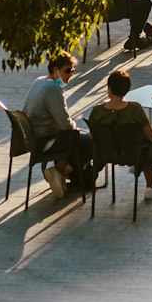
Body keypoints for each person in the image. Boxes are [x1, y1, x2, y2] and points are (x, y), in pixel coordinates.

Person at [22, 53, 93, 199]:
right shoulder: (53, 89)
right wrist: (75, 126)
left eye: (72, 71)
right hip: (46, 139)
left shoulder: (40, 81)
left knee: (83, 135)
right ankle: (60, 171)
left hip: (35, 137)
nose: (70, 74)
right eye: (67, 71)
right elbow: (65, 124)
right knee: (93, 140)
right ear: (56, 70)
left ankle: (62, 173)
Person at [87, 69, 152, 201]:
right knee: (150, 143)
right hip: (134, 154)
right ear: (127, 89)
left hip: (107, 154)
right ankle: (150, 187)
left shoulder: (97, 110)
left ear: (109, 88)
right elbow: (151, 136)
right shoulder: (134, 109)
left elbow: (92, 137)